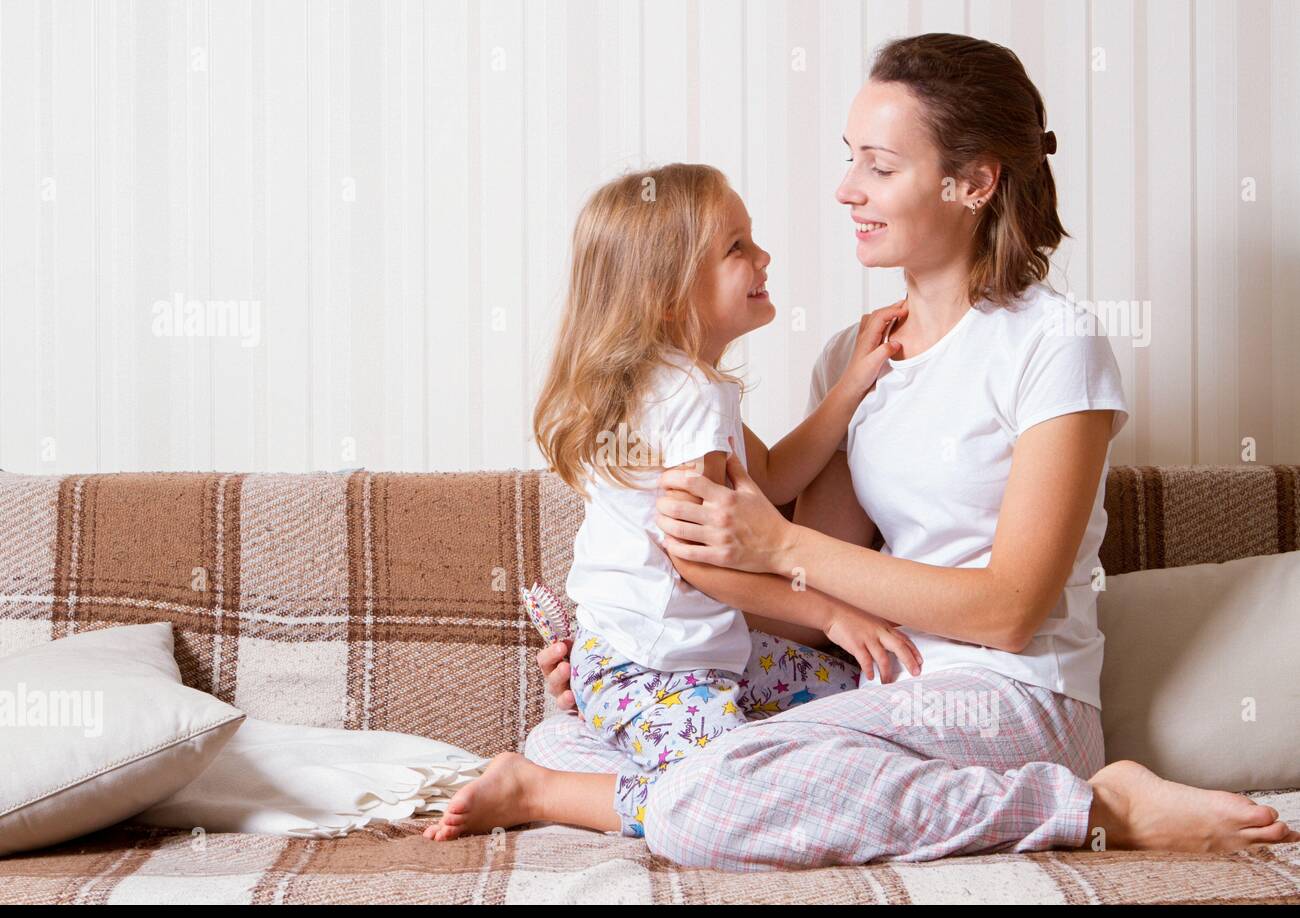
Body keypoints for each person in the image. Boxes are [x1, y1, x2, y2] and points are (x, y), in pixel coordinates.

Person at [525, 33, 1299, 869]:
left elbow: (1010, 610)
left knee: (701, 800)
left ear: (972, 182)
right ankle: (603, 773)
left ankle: (1095, 804)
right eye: (850, 159)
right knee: (559, 732)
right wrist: (637, 649)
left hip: (1008, 698)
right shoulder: (853, 359)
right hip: (883, 685)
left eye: (879, 167)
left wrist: (783, 545)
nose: (846, 188)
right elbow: (818, 614)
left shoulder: (1053, 343)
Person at [425, 163, 919, 843]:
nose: (763, 258)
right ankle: (539, 788)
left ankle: (571, 753)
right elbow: (698, 562)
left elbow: (771, 479)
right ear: (665, 296)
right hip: (652, 670)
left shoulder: (681, 385)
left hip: (697, 654)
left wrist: (855, 379)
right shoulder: (685, 395)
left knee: (856, 698)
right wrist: (833, 612)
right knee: (729, 793)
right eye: (735, 248)